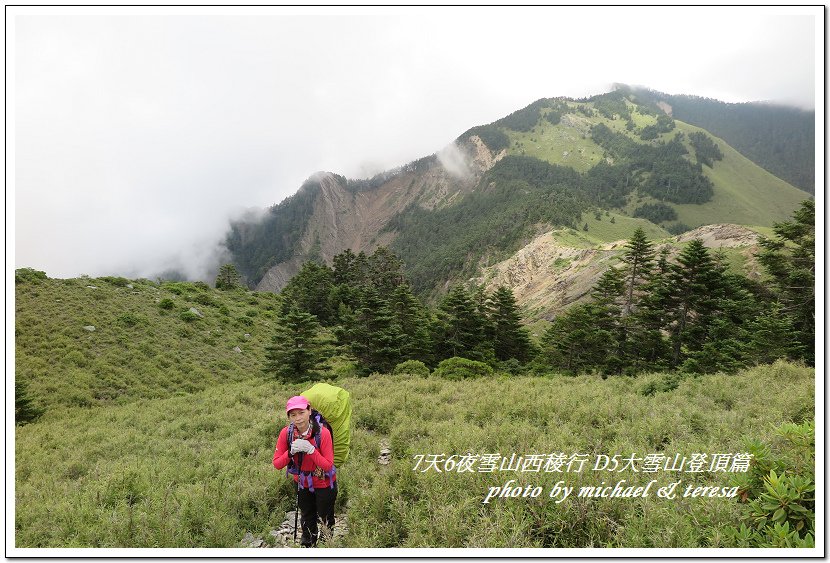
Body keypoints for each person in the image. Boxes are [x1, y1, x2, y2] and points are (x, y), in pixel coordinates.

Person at [273, 396, 337, 547]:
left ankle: (326, 545)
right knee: (307, 516)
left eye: (301, 412)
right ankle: (308, 546)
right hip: (302, 483)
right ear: (288, 416)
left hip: (324, 482)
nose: (298, 418)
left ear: (309, 411)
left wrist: (310, 450)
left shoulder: (323, 433)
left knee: (325, 517)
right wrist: (290, 453)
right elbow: (277, 464)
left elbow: (327, 465)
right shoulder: (286, 434)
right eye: (293, 415)